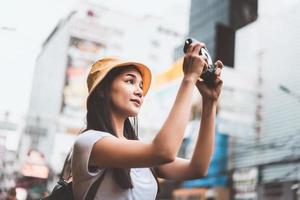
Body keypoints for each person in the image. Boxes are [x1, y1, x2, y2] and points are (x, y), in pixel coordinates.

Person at [71, 41, 224, 200]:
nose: (139, 91)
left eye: (141, 85)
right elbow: (164, 151)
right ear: (103, 90)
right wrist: (189, 79)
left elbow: (197, 168)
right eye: (130, 81)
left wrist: (210, 101)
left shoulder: (143, 152)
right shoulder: (89, 142)